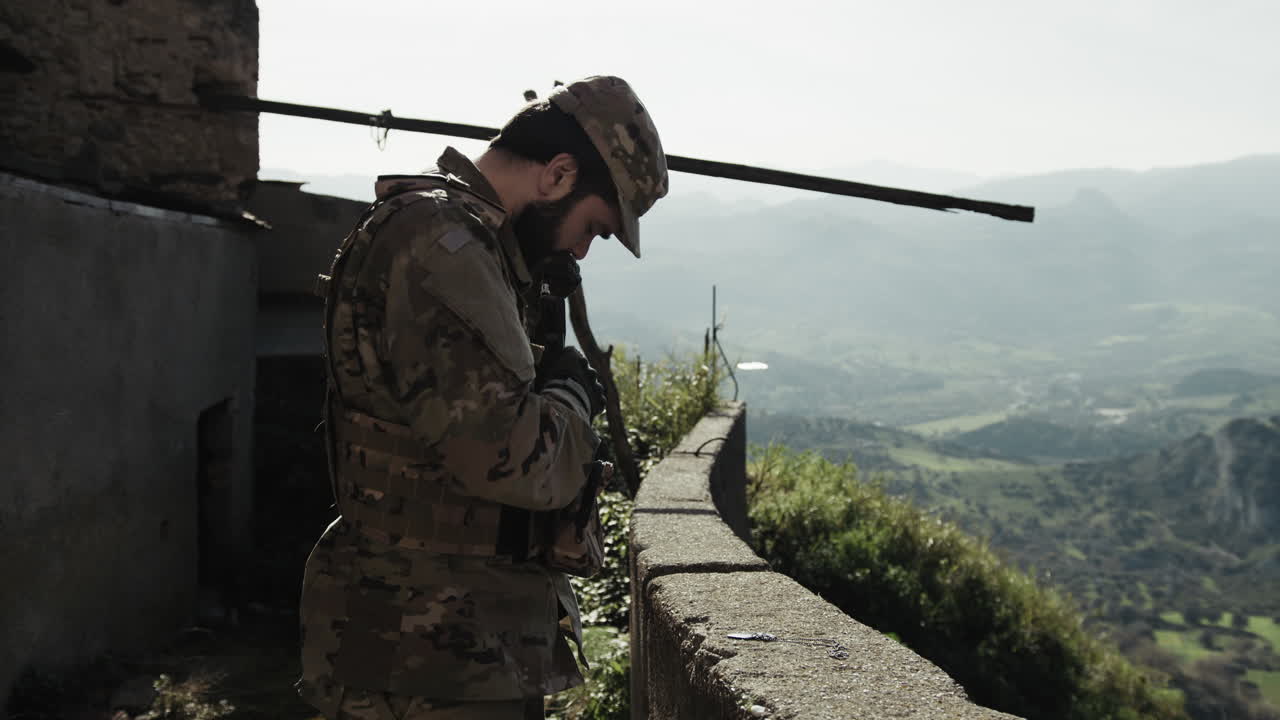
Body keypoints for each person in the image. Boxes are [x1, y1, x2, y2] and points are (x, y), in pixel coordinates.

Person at [296, 76, 668, 720]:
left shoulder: (469, 243)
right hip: (426, 653)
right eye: (593, 227)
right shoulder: (444, 246)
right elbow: (514, 457)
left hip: (451, 644)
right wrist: (571, 397)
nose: (582, 249)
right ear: (558, 175)